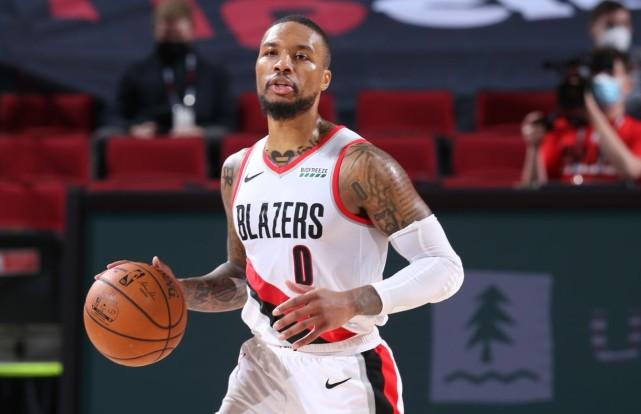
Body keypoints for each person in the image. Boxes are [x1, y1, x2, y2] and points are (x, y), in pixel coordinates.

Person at [105, 15, 464, 414]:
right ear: (257, 68)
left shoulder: (361, 165)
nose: (282, 64)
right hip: (266, 366)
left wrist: (354, 301)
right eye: (271, 53)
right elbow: (241, 277)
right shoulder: (237, 169)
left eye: (301, 56)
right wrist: (178, 291)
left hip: (344, 366)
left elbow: (444, 267)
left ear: (324, 79)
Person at [521, 48, 641, 186]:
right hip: (569, 199)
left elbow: (631, 171)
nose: (600, 79)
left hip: (618, 200)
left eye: (610, 73)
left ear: (628, 84)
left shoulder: (637, 130)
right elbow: (534, 188)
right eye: (595, 73)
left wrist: (591, 109)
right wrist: (533, 147)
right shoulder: (561, 128)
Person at [113, 0, 231, 138]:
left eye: (177, 34)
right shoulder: (135, 74)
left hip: (201, 144)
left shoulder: (214, 75)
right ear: (154, 31)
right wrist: (132, 129)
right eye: (168, 34)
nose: (173, 40)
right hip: (147, 142)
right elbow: (114, 115)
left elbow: (228, 122)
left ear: (192, 31)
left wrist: (202, 132)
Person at [589, 0, 641, 119]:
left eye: (624, 24)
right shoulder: (581, 68)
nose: (619, 30)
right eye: (610, 25)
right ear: (592, 28)